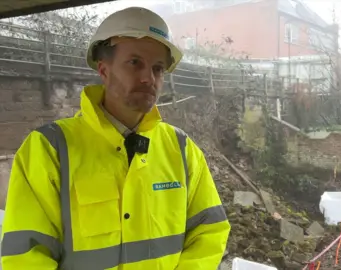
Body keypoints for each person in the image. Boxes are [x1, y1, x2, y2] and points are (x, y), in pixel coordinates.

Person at [1, 7, 230, 270]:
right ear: (104, 70)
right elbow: (26, 257)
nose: (149, 78)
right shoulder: (49, 150)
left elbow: (209, 232)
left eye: (158, 69)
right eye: (135, 63)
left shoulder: (181, 148)